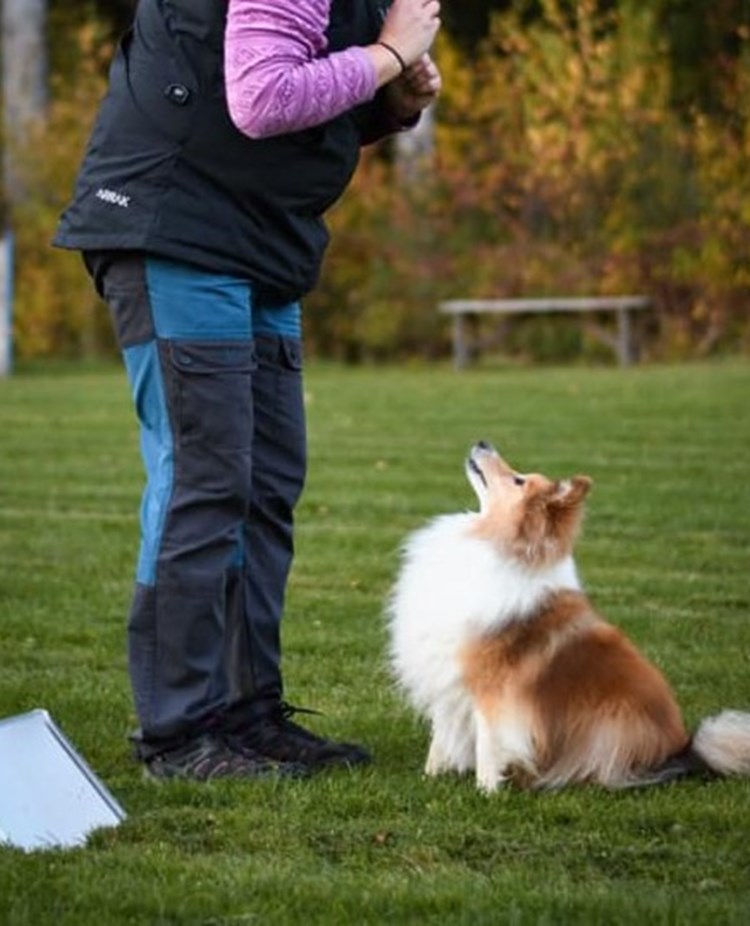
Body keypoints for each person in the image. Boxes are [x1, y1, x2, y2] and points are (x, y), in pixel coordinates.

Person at [53, 0, 442, 781]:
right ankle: (177, 734)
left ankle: (244, 713)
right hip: (179, 231)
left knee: (264, 483)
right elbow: (262, 99)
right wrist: (390, 55)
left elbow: (294, 101)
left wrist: (390, 102)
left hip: (255, 242)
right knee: (204, 480)